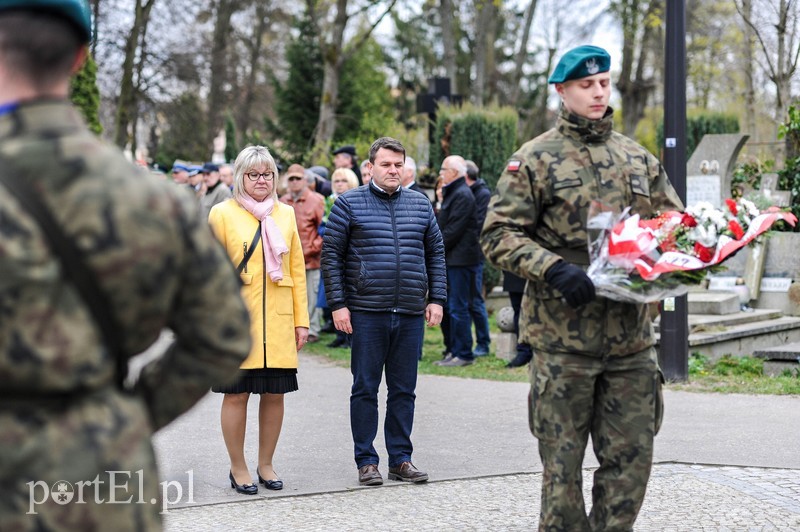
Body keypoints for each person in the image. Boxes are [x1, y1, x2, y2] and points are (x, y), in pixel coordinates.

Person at [0, 2, 251, 530]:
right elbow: (223, 336)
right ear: (80, 59)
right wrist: (133, 414)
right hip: (103, 472)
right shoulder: (159, 201)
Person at [481, 45, 683, 530]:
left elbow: (672, 224)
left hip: (630, 340)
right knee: (562, 470)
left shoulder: (637, 158)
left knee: (632, 463)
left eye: (604, 83)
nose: (598, 92)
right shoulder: (534, 158)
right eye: (586, 85)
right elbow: (497, 233)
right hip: (563, 341)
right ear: (562, 91)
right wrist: (552, 268)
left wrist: (680, 255)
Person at [322, 137, 446, 486]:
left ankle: (401, 459)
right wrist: (338, 305)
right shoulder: (348, 204)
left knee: (404, 389)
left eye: (398, 165)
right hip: (365, 311)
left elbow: (436, 253)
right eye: (386, 164)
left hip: (408, 311)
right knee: (365, 387)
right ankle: (366, 461)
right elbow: (331, 257)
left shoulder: (420, 205)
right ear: (370, 167)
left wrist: (436, 298)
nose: (393, 170)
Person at [208, 146, 310, 495]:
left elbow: (296, 267)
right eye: (254, 174)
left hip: (278, 320)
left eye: (267, 174)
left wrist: (301, 321)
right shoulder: (221, 213)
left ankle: (266, 464)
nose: (262, 180)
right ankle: (238, 467)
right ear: (240, 177)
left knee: (274, 394)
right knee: (236, 395)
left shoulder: (286, 214)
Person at [434, 155, 482, 367]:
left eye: (443, 169)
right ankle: (453, 350)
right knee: (452, 307)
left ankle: (463, 353)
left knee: (458, 307)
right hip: (453, 259)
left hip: (461, 260)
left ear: (454, 172)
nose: (440, 174)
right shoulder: (454, 192)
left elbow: (453, 230)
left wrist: (434, 247)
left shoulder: (462, 194)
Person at [280, 163, 325, 343]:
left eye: (298, 178)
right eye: (291, 179)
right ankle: (293, 328)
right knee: (290, 296)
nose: (295, 182)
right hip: (287, 259)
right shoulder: (282, 201)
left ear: (305, 180)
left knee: (311, 296)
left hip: (311, 259)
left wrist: (311, 249)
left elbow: (324, 229)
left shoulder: (317, 200)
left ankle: (313, 329)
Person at [324, 167, 360, 349]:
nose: (339, 184)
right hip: (335, 252)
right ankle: (339, 334)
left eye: (343, 181)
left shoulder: (357, 201)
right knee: (336, 294)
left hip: (352, 258)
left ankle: (349, 337)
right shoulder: (330, 201)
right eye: (336, 181)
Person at [464, 160, 491, 356]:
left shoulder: (482, 194)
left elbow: (478, 226)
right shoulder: (469, 192)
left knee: (476, 301)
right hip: (463, 256)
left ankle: (483, 343)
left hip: (474, 256)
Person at [501, 271, 533, 368]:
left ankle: (534, 349)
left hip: (540, 269)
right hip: (515, 272)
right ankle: (523, 350)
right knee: (518, 310)